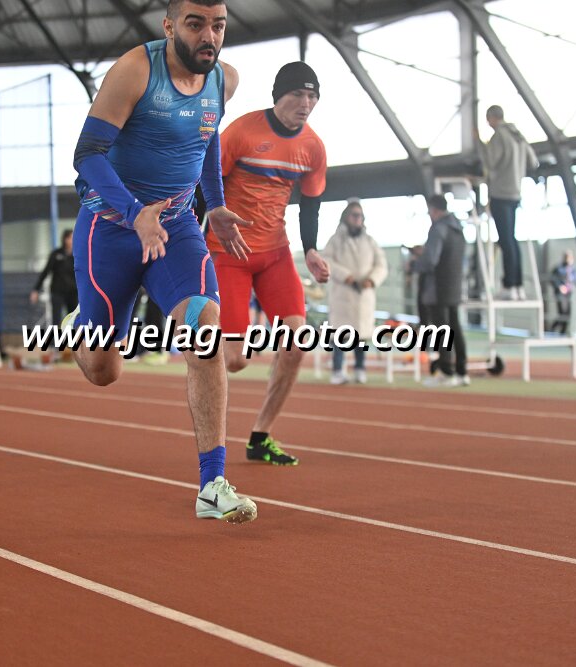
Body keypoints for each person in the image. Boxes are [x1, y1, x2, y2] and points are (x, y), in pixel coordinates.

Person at [67, 0, 257, 523]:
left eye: (218, 25)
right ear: (169, 26)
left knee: (205, 330)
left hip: (175, 229)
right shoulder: (134, 70)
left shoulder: (225, 79)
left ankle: (212, 484)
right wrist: (134, 214)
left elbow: (207, 141)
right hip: (110, 229)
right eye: (196, 24)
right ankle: (80, 326)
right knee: (104, 371)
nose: (209, 36)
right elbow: (86, 155)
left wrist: (215, 204)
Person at [205, 60, 330, 466]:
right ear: (279, 96)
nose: (305, 103)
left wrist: (310, 250)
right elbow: (205, 184)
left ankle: (260, 436)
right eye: (298, 94)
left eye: (312, 96)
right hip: (230, 253)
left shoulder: (312, 147)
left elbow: (310, 203)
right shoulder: (242, 132)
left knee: (296, 344)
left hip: (275, 254)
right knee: (236, 360)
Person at [476, 105, 538, 301]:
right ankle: (517, 285)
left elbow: (490, 162)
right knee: (511, 239)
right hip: (515, 193)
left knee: (505, 240)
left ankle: (509, 284)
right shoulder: (518, 136)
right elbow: (533, 162)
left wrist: (480, 144)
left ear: (492, 118)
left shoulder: (499, 137)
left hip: (500, 193)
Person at [323, 199, 387, 385]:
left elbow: (381, 265)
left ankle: (360, 368)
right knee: (340, 335)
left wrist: (371, 280)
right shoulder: (335, 240)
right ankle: (337, 370)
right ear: (346, 217)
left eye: (360, 216)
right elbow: (327, 261)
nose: (357, 219)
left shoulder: (370, 241)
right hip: (343, 294)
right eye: (354, 215)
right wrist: (346, 276)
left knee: (361, 335)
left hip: (364, 296)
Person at [411, 195, 468, 387]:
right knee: (455, 328)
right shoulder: (458, 229)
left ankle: (446, 371)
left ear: (433, 209)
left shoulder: (438, 228)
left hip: (437, 288)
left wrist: (416, 264)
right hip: (454, 286)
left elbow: (431, 261)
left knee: (442, 331)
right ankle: (461, 371)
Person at [31, 228, 78, 325]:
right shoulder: (56, 254)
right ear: (65, 239)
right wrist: (36, 289)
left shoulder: (77, 255)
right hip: (57, 292)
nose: (72, 240)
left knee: (73, 319)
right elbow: (45, 272)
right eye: (70, 238)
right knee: (56, 319)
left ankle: (72, 335)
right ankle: (56, 335)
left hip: (73, 292)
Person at [550, 250, 576, 334]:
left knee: (568, 314)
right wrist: (560, 287)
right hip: (560, 293)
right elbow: (553, 279)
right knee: (562, 313)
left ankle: (562, 332)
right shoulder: (558, 268)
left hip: (569, 293)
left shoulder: (573, 269)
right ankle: (552, 329)